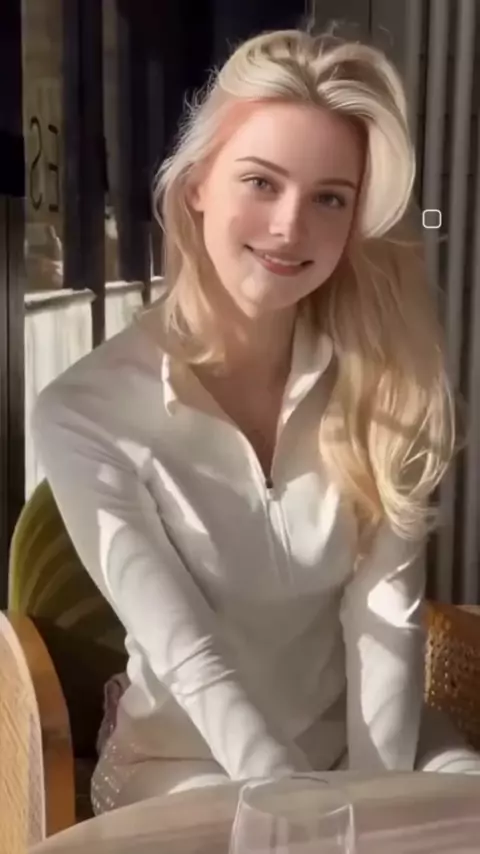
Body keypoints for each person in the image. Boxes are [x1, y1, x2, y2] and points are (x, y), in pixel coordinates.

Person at [32, 27, 479, 815]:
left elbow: (385, 618)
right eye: (261, 182)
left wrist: (374, 806)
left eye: (330, 198)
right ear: (197, 185)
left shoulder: (390, 380)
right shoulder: (83, 412)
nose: (289, 227)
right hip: (187, 756)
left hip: (371, 743)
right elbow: (190, 656)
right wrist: (300, 813)